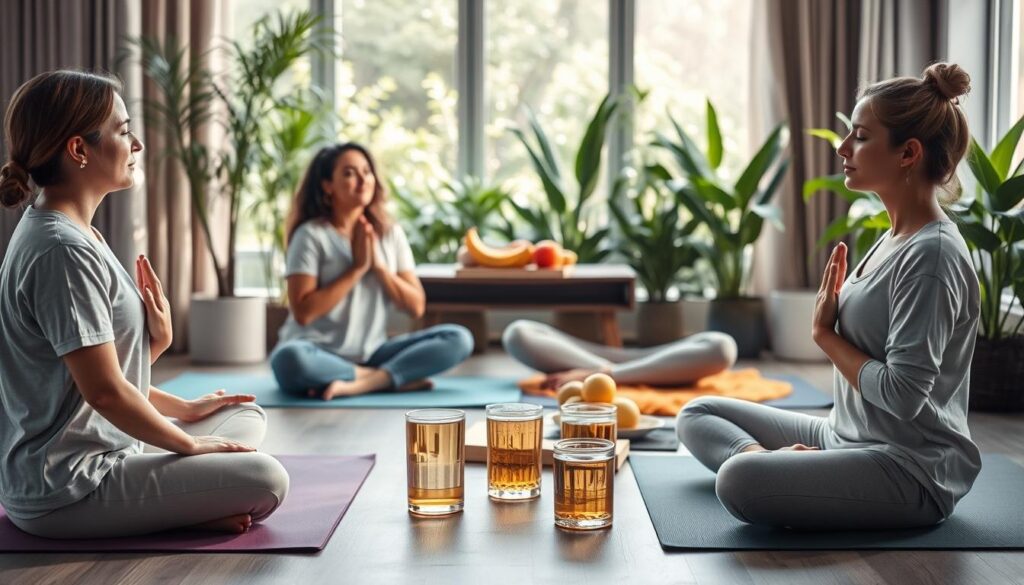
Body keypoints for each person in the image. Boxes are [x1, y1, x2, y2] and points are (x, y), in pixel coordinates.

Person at [677, 62, 981, 530]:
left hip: (908, 469)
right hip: (843, 434)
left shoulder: (932, 258)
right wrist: (775, 455)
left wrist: (824, 334)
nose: (843, 148)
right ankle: (773, 461)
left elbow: (904, 398)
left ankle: (770, 467)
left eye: (860, 136)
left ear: (908, 153)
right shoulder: (894, 237)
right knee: (697, 413)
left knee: (738, 479)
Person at [0, 70, 288, 538]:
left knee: (243, 417)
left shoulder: (76, 233)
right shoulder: (62, 250)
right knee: (267, 479)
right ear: (79, 150)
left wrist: (178, 394)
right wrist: (188, 447)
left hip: (107, 451)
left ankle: (180, 501)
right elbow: (106, 392)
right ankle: (182, 507)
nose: (136, 145)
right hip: (67, 487)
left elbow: (82, 379)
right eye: (123, 131)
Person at [269, 143, 473, 400]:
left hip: (372, 352)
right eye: (349, 173)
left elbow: (416, 306)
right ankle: (389, 377)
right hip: (315, 352)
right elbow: (303, 313)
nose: (362, 179)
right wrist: (357, 269)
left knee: (458, 338)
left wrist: (378, 267)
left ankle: (364, 381)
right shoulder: (311, 235)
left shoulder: (390, 233)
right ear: (327, 185)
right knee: (289, 360)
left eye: (367, 171)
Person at [502, 320, 737, 390]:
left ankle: (607, 373)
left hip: (669, 353)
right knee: (517, 333)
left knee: (722, 347)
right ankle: (610, 371)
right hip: (594, 357)